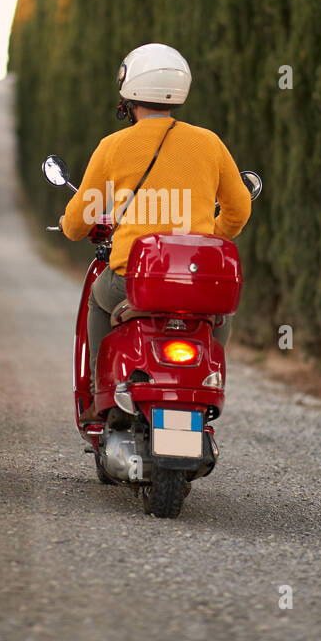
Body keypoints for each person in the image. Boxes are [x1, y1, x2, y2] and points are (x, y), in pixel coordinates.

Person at [58, 43, 252, 395]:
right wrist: (209, 235)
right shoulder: (209, 144)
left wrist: (67, 224)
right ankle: (208, 379)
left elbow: (78, 222)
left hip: (131, 282)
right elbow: (239, 209)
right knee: (217, 314)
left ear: (129, 94)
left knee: (97, 300)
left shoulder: (113, 146)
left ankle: (100, 390)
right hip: (195, 280)